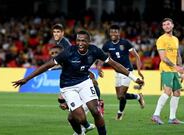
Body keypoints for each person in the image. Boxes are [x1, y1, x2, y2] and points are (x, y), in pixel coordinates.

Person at [13, 30, 144, 135]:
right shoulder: (69, 52)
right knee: (79, 119)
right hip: (68, 86)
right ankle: (82, 130)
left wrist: (133, 77)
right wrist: (27, 79)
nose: (80, 43)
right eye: (78, 40)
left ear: (89, 41)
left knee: (96, 111)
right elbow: (47, 65)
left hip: (84, 82)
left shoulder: (94, 50)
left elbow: (115, 65)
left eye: (83, 41)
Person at [52, 24, 104, 114]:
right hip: (71, 70)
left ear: (62, 33)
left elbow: (72, 57)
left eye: (58, 32)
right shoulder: (59, 43)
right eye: (54, 32)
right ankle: (74, 109)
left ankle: (98, 102)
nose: (56, 34)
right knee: (61, 98)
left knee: (91, 82)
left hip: (77, 68)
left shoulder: (64, 43)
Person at [98, 24, 145, 120]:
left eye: (115, 31)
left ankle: (120, 113)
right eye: (111, 32)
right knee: (119, 97)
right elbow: (102, 57)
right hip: (117, 72)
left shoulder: (125, 43)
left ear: (119, 33)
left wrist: (139, 70)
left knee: (121, 95)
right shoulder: (107, 44)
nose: (113, 33)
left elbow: (136, 56)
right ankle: (138, 96)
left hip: (127, 71)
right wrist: (99, 67)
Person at [50, 46, 95, 135]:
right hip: (78, 95)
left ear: (62, 53)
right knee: (71, 118)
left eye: (56, 53)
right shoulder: (64, 67)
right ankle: (82, 130)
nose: (54, 55)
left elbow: (92, 78)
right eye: (52, 53)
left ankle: (85, 127)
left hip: (86, 96)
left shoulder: (73, 62)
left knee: (75, 119)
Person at [151, 18, 184, 125]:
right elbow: (163, 58)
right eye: (164, 25)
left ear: (172, 25)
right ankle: (156, 115)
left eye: (168, 24)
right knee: (168, 91)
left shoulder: (175, 39)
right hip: (166, 69)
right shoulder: (161, 39)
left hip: (175, 70)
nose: (166, 26)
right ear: (162, 27)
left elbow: (177, 54)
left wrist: (181, 69)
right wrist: (176, 67)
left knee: (177, 92)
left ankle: (172, 118)